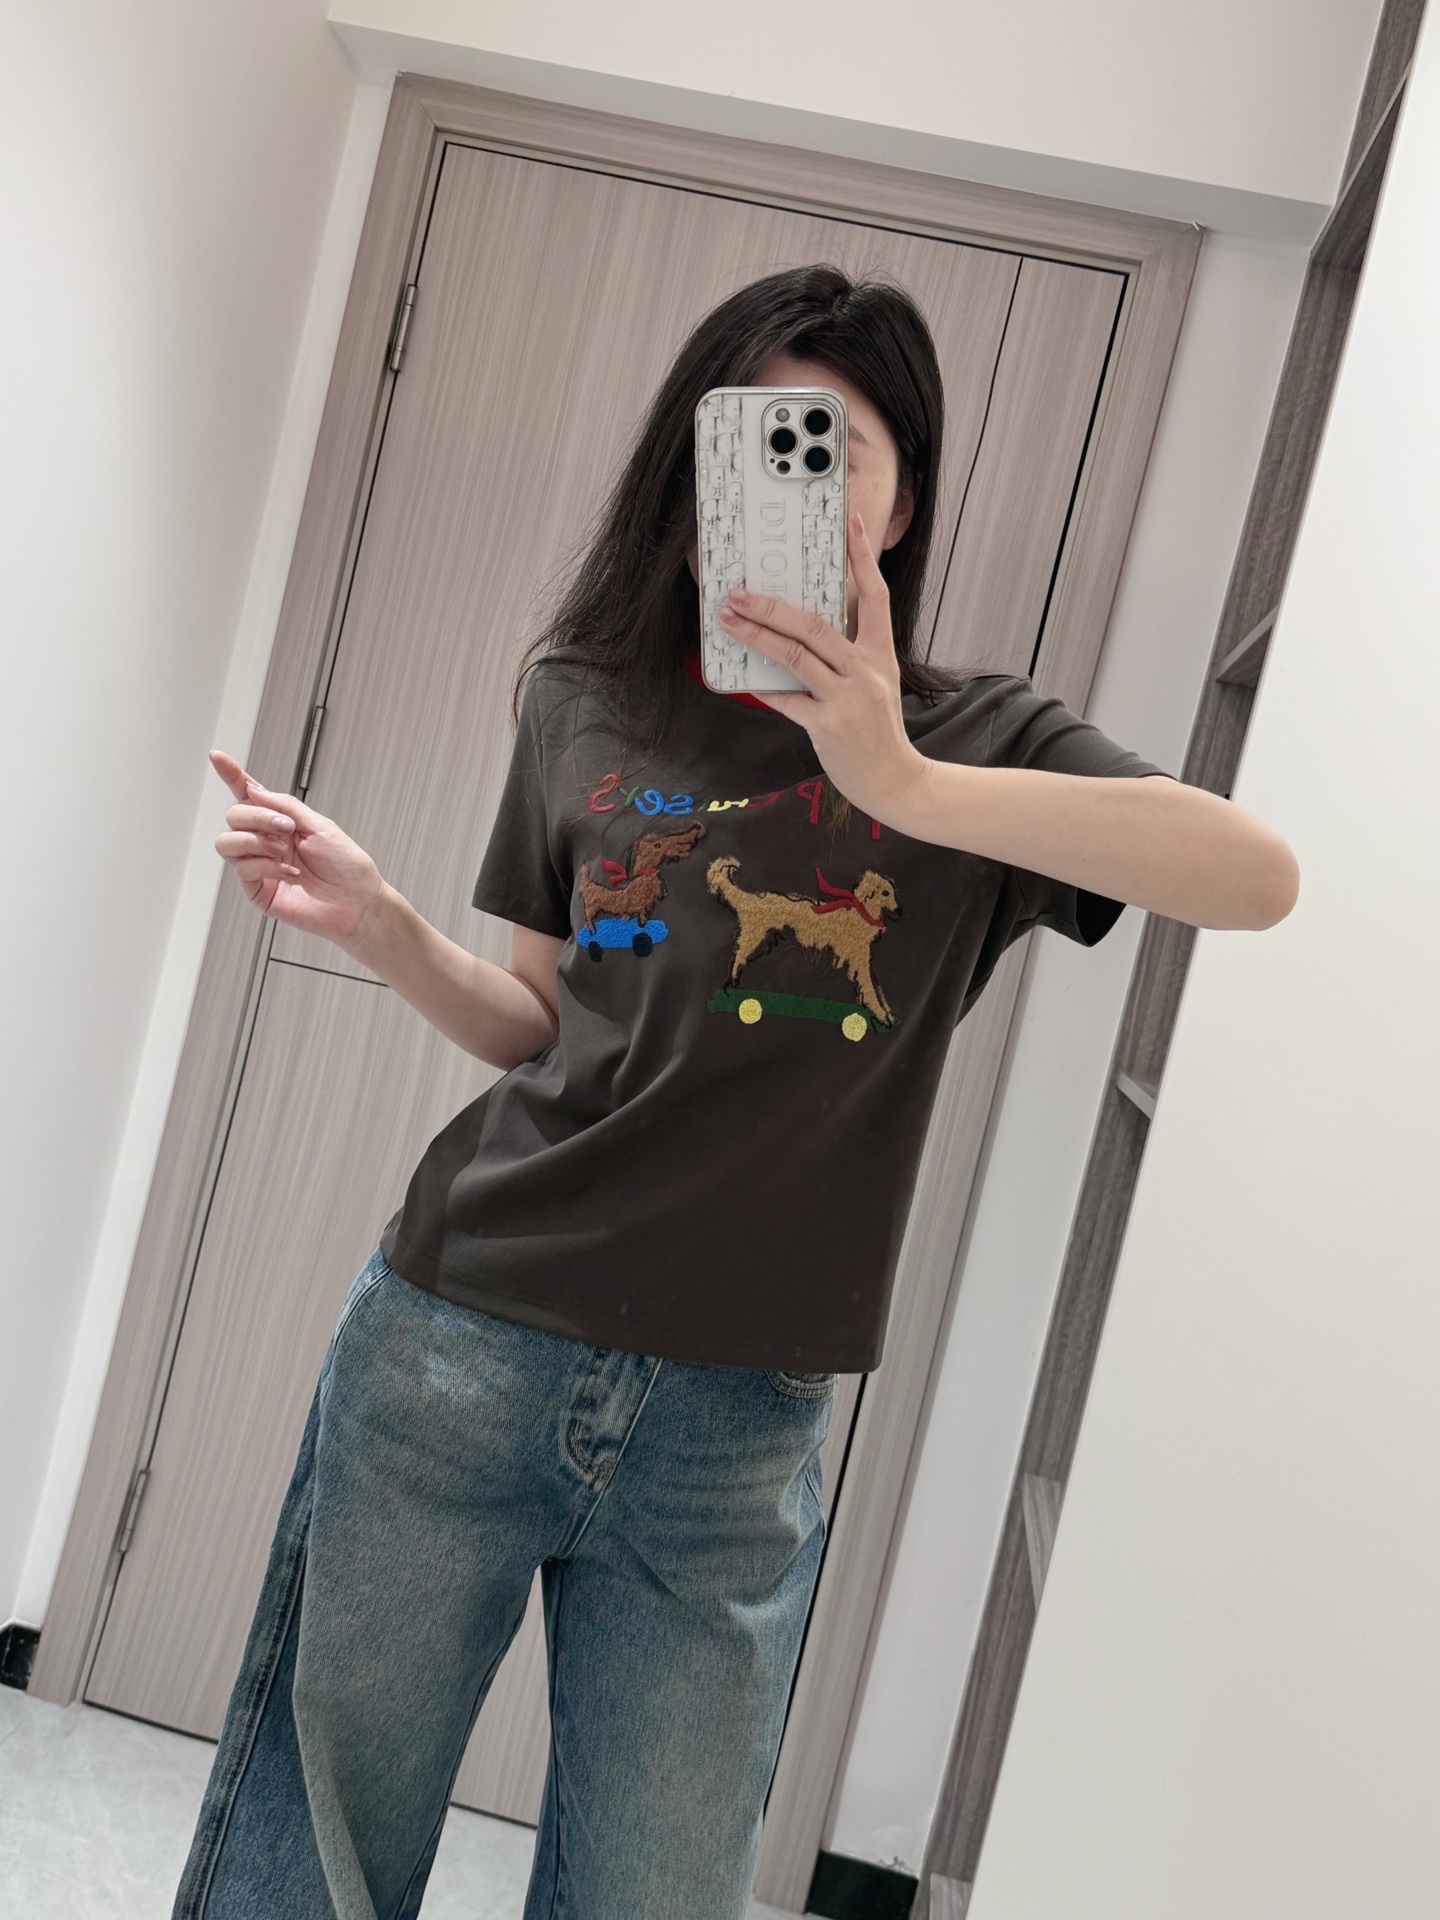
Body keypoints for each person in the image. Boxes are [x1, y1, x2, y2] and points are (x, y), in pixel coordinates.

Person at [178, 266, 1298, 1920]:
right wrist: (385, 922)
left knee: (659, 1891)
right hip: (458, 1342)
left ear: (901, 500)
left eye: (831, 449)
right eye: (750, 439)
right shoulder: (584, 698)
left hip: (735, 1429)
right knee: (312, 1848)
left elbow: (1256, 878)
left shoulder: (982, 742)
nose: (786, 480)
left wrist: (899, 780)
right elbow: (541, 1027)